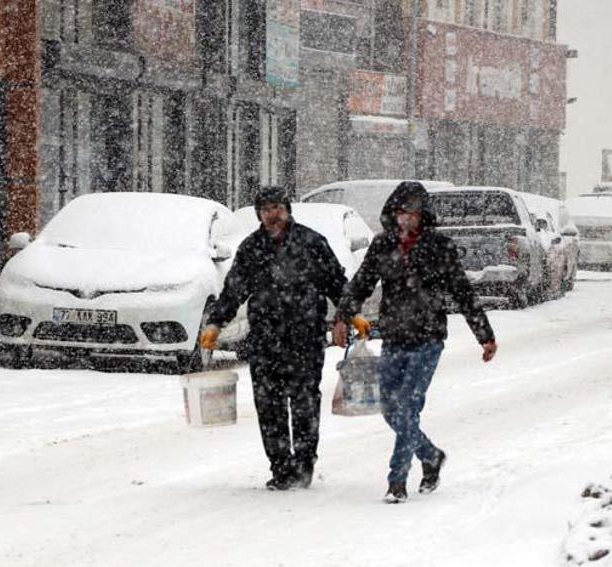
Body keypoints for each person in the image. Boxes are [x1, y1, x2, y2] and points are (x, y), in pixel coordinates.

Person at [334, 181, 497, 503]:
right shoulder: (383, 245)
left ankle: (396, 481)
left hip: (427, 338)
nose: (405, 218)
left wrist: (485, 335)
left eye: (412, 212)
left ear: (423, 214)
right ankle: (430, 455)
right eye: (400, 212)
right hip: (395, 336)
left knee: (408, 405)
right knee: (390, 409)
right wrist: (343, 316)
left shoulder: (439, 247)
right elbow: (361, 283)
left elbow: (462, 292)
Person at [200, 186, 347, 491]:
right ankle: (280, 468)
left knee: (304, 402)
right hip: (265, 340)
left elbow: (336, 283)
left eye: (277, 208)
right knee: (269, 405)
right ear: (259, 215)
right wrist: (215, 323)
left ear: (287, 209)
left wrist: (348, 314)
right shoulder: (252, 248)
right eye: (266, 210)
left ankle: (304, 464)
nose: (272, 215)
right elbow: (234, 290)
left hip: (305, 338)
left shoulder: (311, 242)